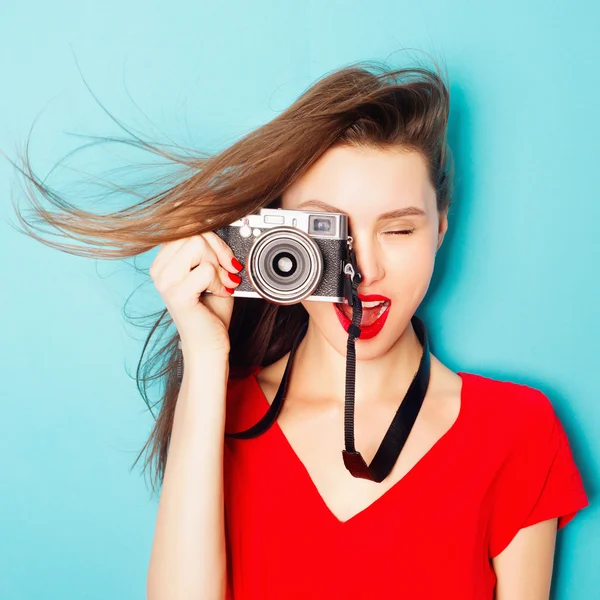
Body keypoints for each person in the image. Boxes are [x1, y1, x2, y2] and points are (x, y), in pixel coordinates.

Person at [8, 59, 589, 600]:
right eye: (329, 233)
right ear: (277, 240)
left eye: (400, 231)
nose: (364, 271)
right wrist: (205, 358)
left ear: (441, 227)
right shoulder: (222, 412)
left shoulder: (515, 431)